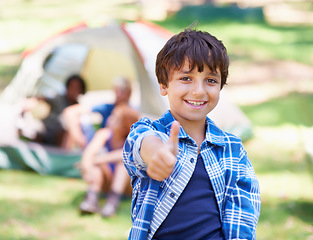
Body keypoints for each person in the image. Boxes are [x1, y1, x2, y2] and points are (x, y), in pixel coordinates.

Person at [123, 28, 261, 239]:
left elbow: (242, 215)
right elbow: (140, 145)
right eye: (186, 78)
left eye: (211, 80)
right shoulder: (149, 131)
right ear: (163, 85)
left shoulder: (233, 150)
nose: (198, 91)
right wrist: (157, 154)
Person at [79, 103, 139, 217]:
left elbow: (124, 155)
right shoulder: (104, 133)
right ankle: (91, 199)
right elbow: (88, 154)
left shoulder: (132, 139)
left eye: (115, 118)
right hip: (106, 180)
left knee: (123, 164)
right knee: (97, 168)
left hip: (126, 186)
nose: (110, 119)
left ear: (124, 125)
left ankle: (112, 203)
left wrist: (98, 159)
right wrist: (87, 169)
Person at [62, 76, 132, 150]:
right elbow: (70, 112)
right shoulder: (107, 108)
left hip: (119, 150)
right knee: (74, 124)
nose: (119, 94)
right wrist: (80, 139)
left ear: (129, 93)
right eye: (117, 90)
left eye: (122, 91)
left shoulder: (131, 113)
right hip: (102, 147)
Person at [20, 74, 86, 146]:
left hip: (62, 139)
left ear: (81, 91)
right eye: (71, 87)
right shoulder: (58, 98)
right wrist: (31, 101)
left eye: (77, 88)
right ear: (67, 87)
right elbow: (43, 98)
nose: (73, 90)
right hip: (47, 131)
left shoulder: (80, 107)